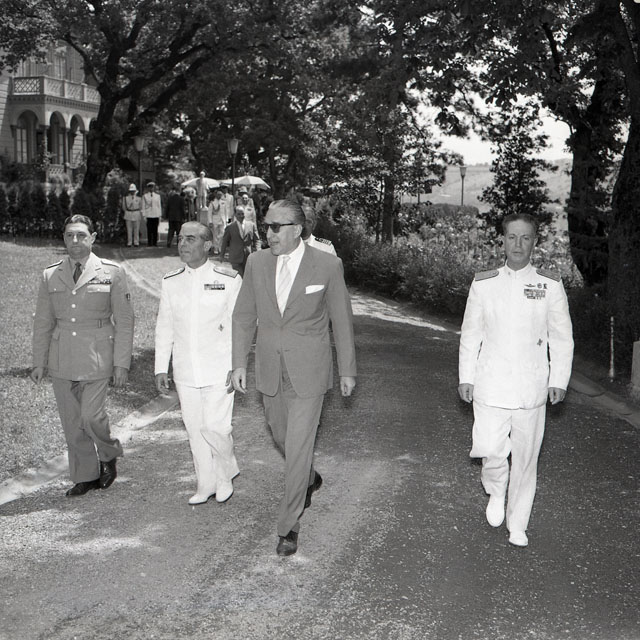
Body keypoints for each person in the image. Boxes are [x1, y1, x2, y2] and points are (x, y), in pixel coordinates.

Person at [231, 199, 357, 557]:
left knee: (299, 445)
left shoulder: (327, 265)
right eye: (266, 226)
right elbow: (243, 315)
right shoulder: (256, 263)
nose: (268, 233)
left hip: (309, 372)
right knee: (281, 436)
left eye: (276, 227)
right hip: (270, 368)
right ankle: (308, 477)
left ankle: (288, 527)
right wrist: (238, 363)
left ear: (297, 229)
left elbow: (341, 320)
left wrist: (347, 369)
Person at [458, 213, 573, 547]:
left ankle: (518, 523)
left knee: (525, 459)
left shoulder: (550, 285)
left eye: (525, 238)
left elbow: (561, 337)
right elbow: (471, 334)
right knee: (489, 448)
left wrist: (559, 379)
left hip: (530, 386)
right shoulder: (484, 283)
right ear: (503, 240)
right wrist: (466, 376)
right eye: (512, 237)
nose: (518, 244)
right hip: (490, 383)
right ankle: (496, 489)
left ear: (535, 241)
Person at [30, 214, 135, 496]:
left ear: (93, 238)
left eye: (81, 235)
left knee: (90, 417)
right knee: (72, 423)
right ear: (64, 239)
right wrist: (39, 362)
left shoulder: (112, 272)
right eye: (69, 235)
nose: (74, 240)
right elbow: (43, 321)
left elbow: (125, 321)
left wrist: (121, 363)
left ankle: (108, 452)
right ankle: (86, 475)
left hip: (97, 355)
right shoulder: (51, 274)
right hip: (62, 356)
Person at [155, 222, 242, 505]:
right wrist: (160, 367)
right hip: (186, 368)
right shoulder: (171, 281)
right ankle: (206, 483)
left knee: (216, 427)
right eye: (181, 239)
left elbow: (238, 326)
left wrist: (237, 364)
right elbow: (165, 326)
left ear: (207, 245)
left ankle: (225, 475)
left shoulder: (228, 279)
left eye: (190, 239)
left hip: (220, 367)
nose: (182, 244)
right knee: (194, 429)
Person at [218, 206, 260, 277]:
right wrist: (222, 255)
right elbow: (224, 242)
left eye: (242, 214)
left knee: (247, 277)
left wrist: (258, 250)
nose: (241, 216)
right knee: (239, 277)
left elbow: (257, 240)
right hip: (235, 257)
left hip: (247, 256)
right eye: (239, 214)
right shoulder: (230, 227)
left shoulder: (251, 225)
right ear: (235, 215)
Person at [141, 182, 162, 246]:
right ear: (148, 188)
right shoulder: (145, 196)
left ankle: (155, 242)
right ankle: (149, 242)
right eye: (150, 187)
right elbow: (143, 206)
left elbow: (159, 206)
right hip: (149, 215)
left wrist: (160, 215)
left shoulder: (157, 196)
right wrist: (144, 215)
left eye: (152, 187)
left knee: (155, 229)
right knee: (149, 229)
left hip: (155, 214)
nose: (151, 188)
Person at [208, 190, 227, 255]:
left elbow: (225, 211)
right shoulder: (212, 203)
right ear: (216, 195)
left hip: (222, 220)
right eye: (218, 194)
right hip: (215, 221)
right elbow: (209, 212)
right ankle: (216, 248)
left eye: (220, 195)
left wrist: (226, 220)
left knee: (222, 234)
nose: (219, 196)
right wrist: (210, 221)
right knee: (215, 235)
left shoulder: (223, 202)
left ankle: (220, 247)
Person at [121, 183, 141, 247]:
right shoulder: (126, 198)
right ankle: (129, 242)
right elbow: (124, 207)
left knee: (136, 229)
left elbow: (140, 207)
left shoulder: (139, 198)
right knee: (129, 229)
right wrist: (128, 211)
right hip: (128, 214)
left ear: (135, 191)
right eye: (131, 191)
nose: (132, 192)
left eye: (133, 191)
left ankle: (136, 242)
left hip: (136, 213)